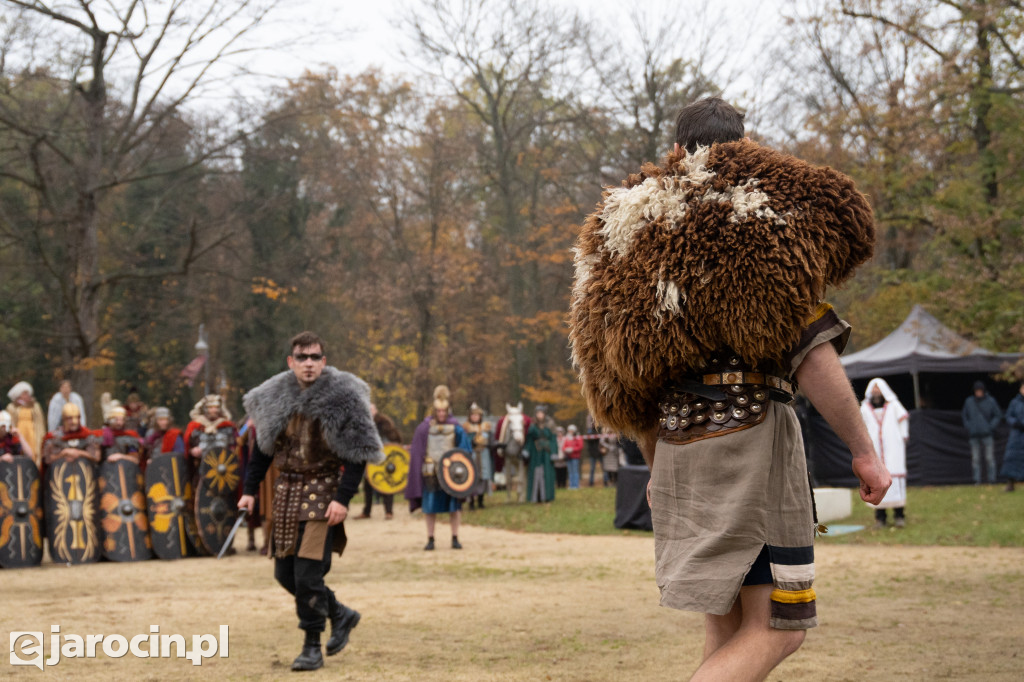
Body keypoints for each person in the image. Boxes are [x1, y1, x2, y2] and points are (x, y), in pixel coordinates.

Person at [568, 96, 890, 680]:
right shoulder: (754, 227)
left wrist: (656, 465)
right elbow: (812, 354)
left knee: (724, 626)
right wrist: (864, 453)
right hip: (749, 444)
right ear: (743, 144)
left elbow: (629, 389)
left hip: (675, 449)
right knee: (776, 629)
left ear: (676, 149)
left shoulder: (633, 244)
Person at [239, 331, 382, 672]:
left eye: (314, 357)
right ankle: (339, 613)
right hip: (286, 495)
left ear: (323, 362)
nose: (308, 363)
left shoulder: (344, 397)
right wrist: (248, 490)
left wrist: (343, 499)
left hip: (323, 494)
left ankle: (311, 647)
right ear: (291, 362)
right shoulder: (274, 396)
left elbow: (359, 454)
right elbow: (262, 450)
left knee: (307, 576)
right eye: (301, 357)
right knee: (284, 575)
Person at [406, 385, 472, 550]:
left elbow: (465, 451)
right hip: (431, 473)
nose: (441, 414)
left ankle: (455, 538)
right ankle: (430, 539)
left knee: (454, 507)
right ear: (434, 411)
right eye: (439, 411)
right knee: (429, 508)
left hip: (452, 474)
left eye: (444, 411)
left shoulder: (456, 427)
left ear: (448, 410)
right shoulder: (424, 428)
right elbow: (417, 451)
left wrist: (462, 468)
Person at [860, 379, 909, 528]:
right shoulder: (865, 408)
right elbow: (860, 426)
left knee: (894, 481)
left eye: (878, 389)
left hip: (893, 450)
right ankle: (880, 518)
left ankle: (899, 515)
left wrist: (902, 437)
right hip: (874, 451)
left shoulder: (893, 406)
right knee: (876, 483)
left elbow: (903, 420)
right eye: (873, 389)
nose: (876, 392)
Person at [356, 403, 402, 519]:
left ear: (375, 410)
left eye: (371, 409)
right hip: (370, 459)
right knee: (368, 486)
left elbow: (393, 439)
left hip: (384, 458)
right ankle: (366, 511)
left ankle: (389, 511)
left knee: (386, 484)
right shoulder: (363, 423)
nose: (370, 411)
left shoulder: (384, 423)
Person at [184, 394, 236, 485]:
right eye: (211, 407)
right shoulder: (196, 426)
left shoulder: (227, 426)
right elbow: (188, 446)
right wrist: (192, 451)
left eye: (216, 407)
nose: (214, 410)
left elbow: (234, 446)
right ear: (205, 409)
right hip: (201, 468)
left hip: (224, 470)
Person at [962, 381, 1002, 484]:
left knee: (989, 458)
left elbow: (998, 415)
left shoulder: (991, 401)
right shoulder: (969, 402)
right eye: (977, 391)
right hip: (974, 434)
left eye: (980, 391)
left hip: (987, 434)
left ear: (984, 391)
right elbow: (964, 416)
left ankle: (992, 479)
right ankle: (977, 480)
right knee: (975, 459)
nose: (978, 393)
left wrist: (990, 427)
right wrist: (969, 427)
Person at [6, 381, 46, 468]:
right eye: (24, 393)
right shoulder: (12, 407)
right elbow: (10, 422)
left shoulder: (35, 406)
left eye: (27, 393)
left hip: (32, 433)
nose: (27, 396)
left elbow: (40, 421)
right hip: (20, 431)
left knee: (34, 451)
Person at [463, 402, 493, 510]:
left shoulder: (486, 427)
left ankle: (481, 500)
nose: (475, 417)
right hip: (472, 455)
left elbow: (491, 439)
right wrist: (471, 443)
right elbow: (463, 441)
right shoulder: (466, 428)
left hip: (484, 454)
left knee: (483, 476)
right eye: (473, 415)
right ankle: (471, 501)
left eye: (477, 415)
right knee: (472, 476)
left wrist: (491, 444)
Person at [524, 405, 557, 503]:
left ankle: (547, 496)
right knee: (535, 473)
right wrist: (527, 450)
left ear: (544, 414)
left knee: (546, 474)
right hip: (535, 453)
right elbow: (529, 439)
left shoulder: (550, 424)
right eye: (538, 413)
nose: (539, 415)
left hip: (546, 453)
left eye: (541, 413)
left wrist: (554, 452)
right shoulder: (533, 425)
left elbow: (553, 439)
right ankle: (535, 497)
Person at [999, 381, 1024, 492]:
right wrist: (1015, 423)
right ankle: (1010, 484)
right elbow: (1008, 416)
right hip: (1017, 435)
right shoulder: (1015, 402)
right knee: (1012, 458)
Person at [562, 424, 583, 489]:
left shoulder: (578, 437)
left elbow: (580, 446)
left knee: (575, 471)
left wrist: (573, 449)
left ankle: (576, 485)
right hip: (568, 457)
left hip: (575, 457)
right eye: (569, 430)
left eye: (572, 430)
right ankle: (571, 485)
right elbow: (563, 446)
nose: (570, 431)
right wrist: (566, 450)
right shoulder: (567, 438)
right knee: (570, 472)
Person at [584, 414, 603, 487]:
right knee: (592, 469)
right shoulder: (589, 433)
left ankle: (606, 481)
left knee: (603, 469)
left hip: (600, 453)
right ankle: (591, 482)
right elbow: (589, 441)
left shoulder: (600, 431)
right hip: (593, 453)